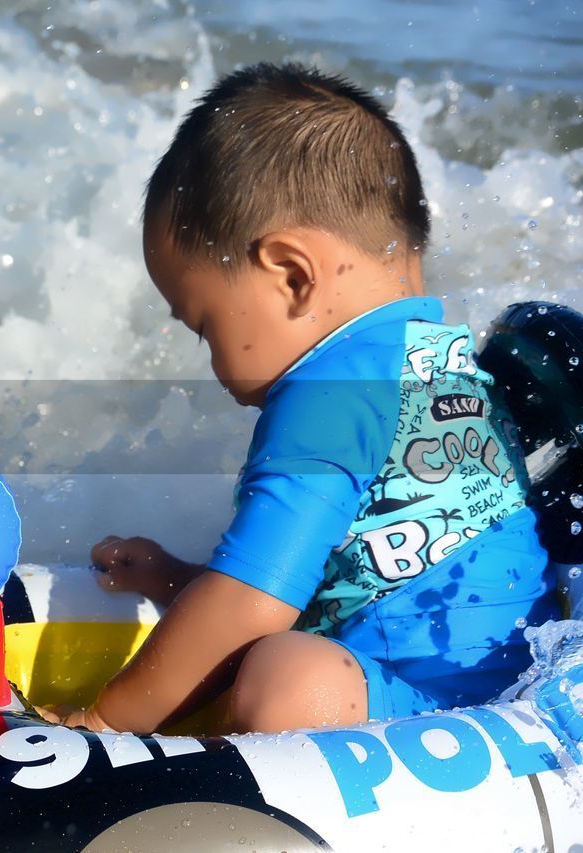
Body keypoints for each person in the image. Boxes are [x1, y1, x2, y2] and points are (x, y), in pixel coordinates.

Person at [43, 63, 554, 736]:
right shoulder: (433, 357)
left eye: (206, 325)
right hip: (517, 688)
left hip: (446, 715)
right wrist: (180, 581)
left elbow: (253, 605)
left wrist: (103, 721)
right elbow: (351, 573)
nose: (216, 367)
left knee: (286, 681)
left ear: (291, 275)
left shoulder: (330, 392)